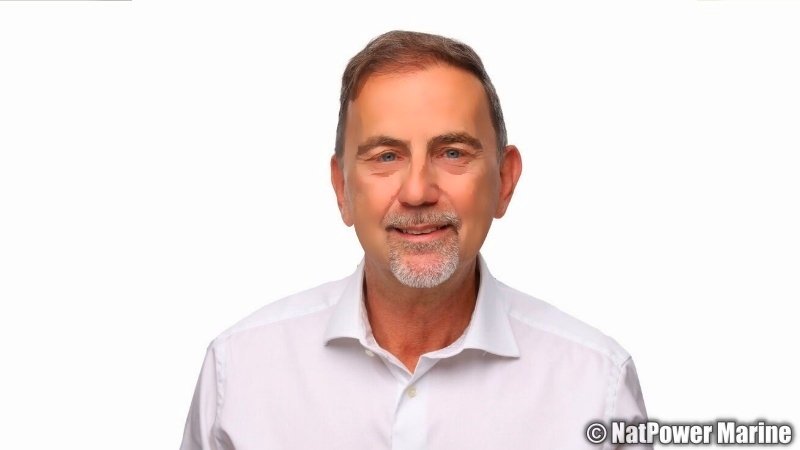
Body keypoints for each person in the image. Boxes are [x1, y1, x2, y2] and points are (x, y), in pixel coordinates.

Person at [180, 30, 649, 450]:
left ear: (505, 181)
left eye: (452, 152)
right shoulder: (238, 372)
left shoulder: (597, 387)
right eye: (386, 156)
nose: (418, 191)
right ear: (342, 189)